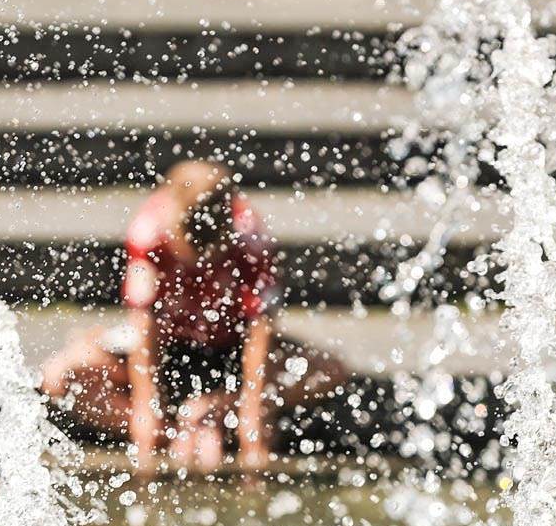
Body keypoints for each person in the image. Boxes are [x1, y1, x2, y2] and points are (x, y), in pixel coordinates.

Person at [43, 160, 348, 474]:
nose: (199, 260)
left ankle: (216, 410)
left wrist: (250, 417)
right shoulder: (150, 231)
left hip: (230, 352)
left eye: (210, 251)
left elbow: (260, 329)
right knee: (59, 376)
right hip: (169, 346)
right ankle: (175, 431)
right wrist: (147, 415)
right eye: (187, 247)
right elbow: (144, 323)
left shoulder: (249, 236)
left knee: (328, 371)